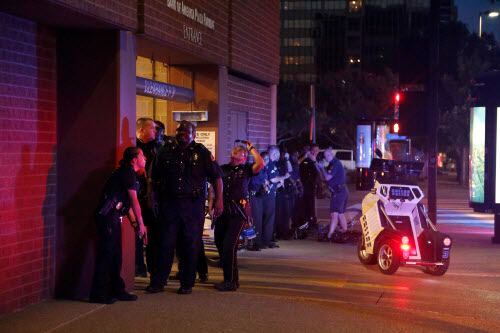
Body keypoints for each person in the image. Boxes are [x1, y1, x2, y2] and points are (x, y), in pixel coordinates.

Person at [147, 120, 223, 294]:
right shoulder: (165, 151)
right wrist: (152, 197)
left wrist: (219, 201)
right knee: (164, 243)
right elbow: (153, 177)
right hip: (169, 203)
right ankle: (158, 281)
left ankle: (187, 282)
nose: (182, 134)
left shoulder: (202, 153)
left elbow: (217, 177)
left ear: (194, 135)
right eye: (180, 131)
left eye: (186, 132)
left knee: (190, 244)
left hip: (192, 205)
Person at [89, 147, 147, 304]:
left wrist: (136, 224)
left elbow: (126, 205)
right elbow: (134, 201)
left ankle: (117, 290)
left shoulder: (131, 174)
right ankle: (98, 293)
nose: (145, 158)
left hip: (113, 216)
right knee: (107, 254)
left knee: (116, 255)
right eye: (142, 155)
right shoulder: (127, 172)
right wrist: (141, 224)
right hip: (107, 216)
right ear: (134, 159)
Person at [214, 141, 264, 291]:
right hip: (223, 210)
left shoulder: (246, 170)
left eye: (242, 153)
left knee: (229, 246)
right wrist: (213, 204)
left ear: (244, 157)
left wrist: (251, 148)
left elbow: (260, 163)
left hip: (238, 211)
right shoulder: (223, 169)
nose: (239, 154)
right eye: (236, 151)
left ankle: (229, 281)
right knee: (220, 244)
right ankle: (232, 280)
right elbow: (214, 187)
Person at [135, 117, 160, 277]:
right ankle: (138, 266)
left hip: (153, 198)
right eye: (152, 128)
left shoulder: (158, 148)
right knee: (137, 232)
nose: (155, 131)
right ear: (142, 130)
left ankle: (153, 267)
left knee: (154, 234)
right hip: (137, 196)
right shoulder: (133, 147)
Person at [318, 148, 349, 239]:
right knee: (340, 213)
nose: (325, 158)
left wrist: (322, 167)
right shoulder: (333, 164)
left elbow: (327, 177)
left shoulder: (335, 164)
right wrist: (319, 167)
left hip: (338, 192)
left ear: (330, 155)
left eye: (326, 156)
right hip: (342, 191)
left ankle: (330, 235)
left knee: (334, 214)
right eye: (324, 156)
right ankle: (344, 231)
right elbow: (323, 177)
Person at [248, 151, 269, 251]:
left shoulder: (264, 169)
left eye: (267, 160)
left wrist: (265, 185)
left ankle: (258, 242)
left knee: (259, 220)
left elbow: (264, 181)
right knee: (255, 221)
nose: (266, 161)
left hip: (260, 196)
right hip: (253, 196)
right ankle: (253, 244)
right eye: (265, 159)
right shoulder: (255, 168)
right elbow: (253, 183)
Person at [299, 144, 320, 229]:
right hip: (306, 186)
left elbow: (317, 173)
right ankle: (308, 222)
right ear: (310, 151)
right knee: (307, 205)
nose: (316, 152)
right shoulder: (305, 160)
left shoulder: (314, 160)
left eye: (317, 150)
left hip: (312, 186)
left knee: (312, 204)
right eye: (314, 150)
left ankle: (312, 221)